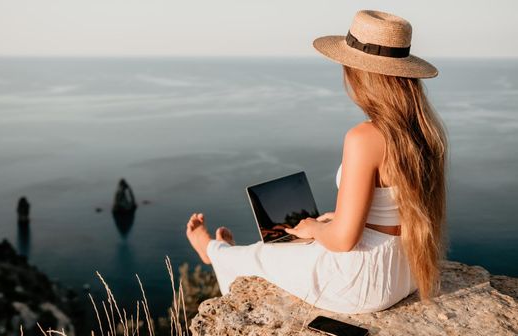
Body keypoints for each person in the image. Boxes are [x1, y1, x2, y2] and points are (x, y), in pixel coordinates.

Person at [185, 9, 448, 314]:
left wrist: (314, 228)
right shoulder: (424, 133)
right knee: (298, 239)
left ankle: (212, 251)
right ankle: (225, 252)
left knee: (262, 255)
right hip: (408, 272)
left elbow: (343, 240)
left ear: (360, 73)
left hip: (364, 282)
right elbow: (394, 209)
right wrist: (335, 218)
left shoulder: (364, 138)